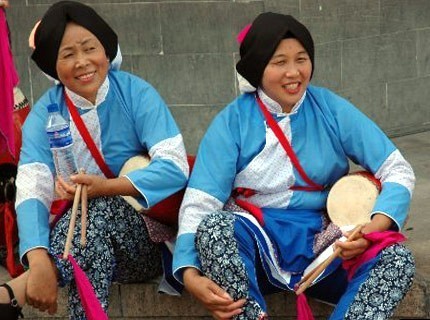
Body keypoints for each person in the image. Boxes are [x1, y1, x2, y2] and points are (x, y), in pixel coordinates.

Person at [172, 12, 416, 320]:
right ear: (258, 67)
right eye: (279, 62)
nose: (293, 72)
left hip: (326, 243)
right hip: (256, 239)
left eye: (301, 59)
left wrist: (373, 229)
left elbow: (397, 168)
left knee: (396, 260)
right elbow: (201, 201)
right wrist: (190, 273)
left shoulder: (331, 108)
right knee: (215, 229)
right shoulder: (231, 122)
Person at [0, 1, 189, 319]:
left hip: (142, 244)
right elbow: (33, 187)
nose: (83, 62)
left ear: (107, 49)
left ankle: (12, 294)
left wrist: (108, 187)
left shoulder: (136, 94)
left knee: (95, 210)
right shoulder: (45, 115)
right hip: (78, 239)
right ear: (52, 65)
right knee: (86, 224)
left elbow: (174, 166)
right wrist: (37, 255)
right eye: (67, 54)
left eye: (90, 48)